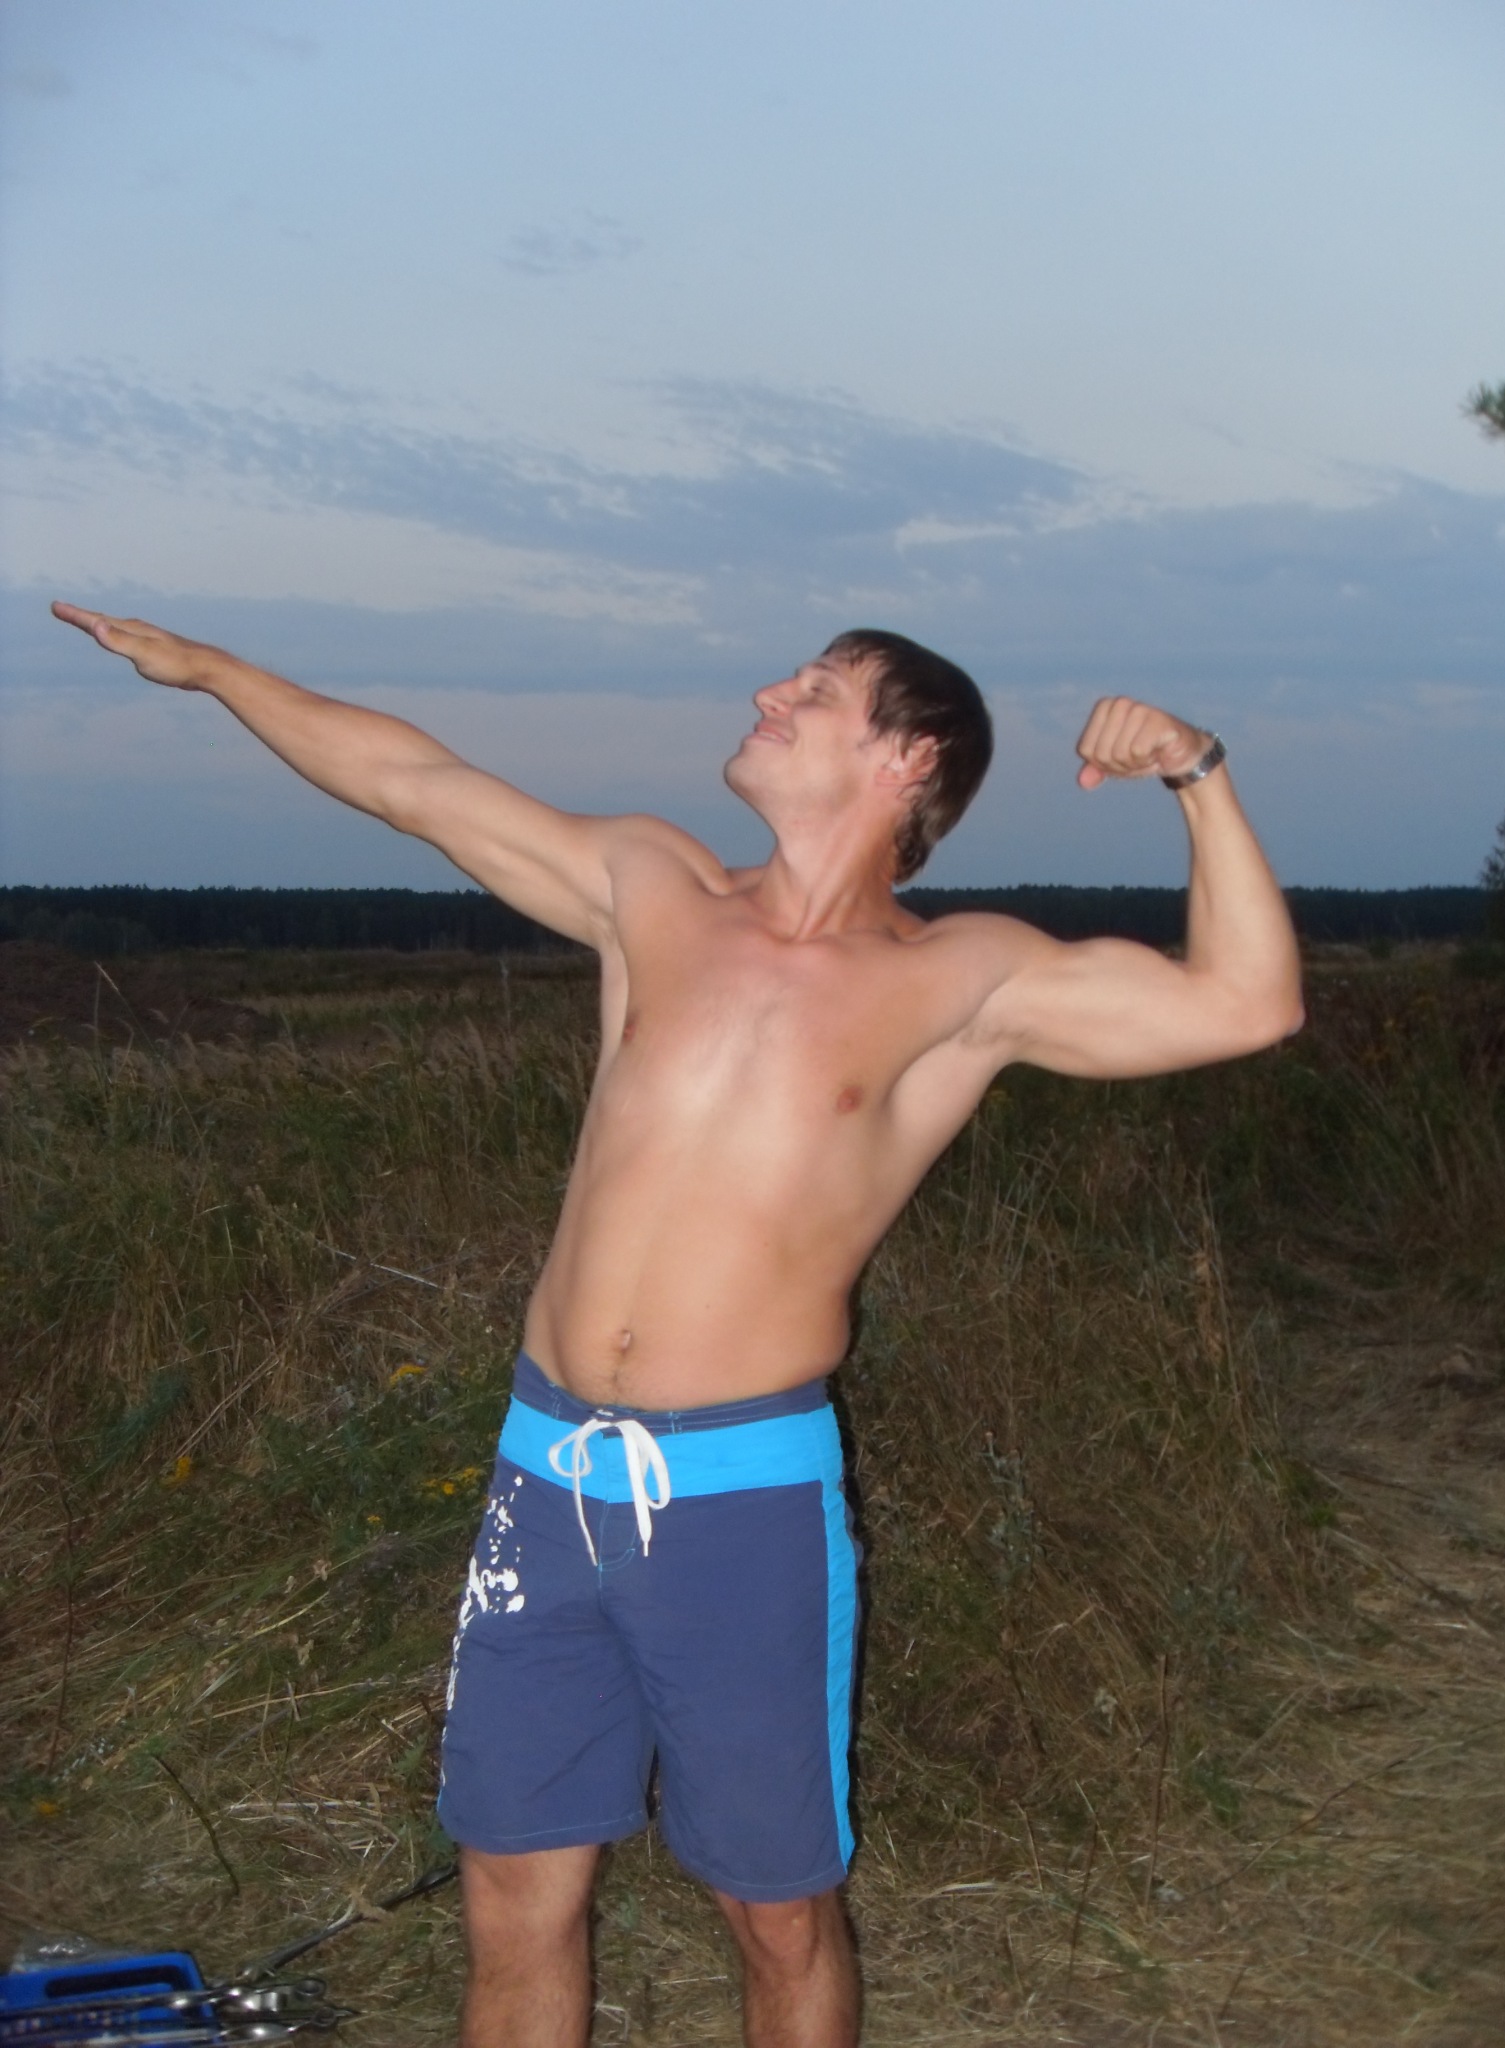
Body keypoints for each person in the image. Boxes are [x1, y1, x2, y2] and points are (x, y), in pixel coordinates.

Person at [53, 602, 1302, 2048]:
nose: (772, 691)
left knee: (777, 1917)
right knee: (511, 1896)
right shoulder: (653, 888)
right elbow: (412, 782)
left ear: (908, 757)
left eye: (818, 688)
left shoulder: (961, 978)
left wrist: (1195, 771)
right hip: (543, 1478)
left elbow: (1248, 1004)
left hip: (741, 1507)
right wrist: (213, 671)